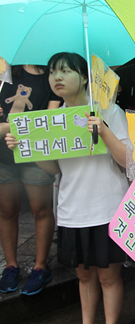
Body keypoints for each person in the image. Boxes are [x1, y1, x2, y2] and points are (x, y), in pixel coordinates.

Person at [6, 53, 128, 324]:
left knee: (108, 275)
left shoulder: (108, 111)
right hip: (72, 209)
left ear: (84, 78)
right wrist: (26, 148)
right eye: (52, 72)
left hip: (108, 207)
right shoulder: (54, 118)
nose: (57, 77)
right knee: (84, 275)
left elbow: (128, 161)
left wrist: (104, 130)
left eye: (65, 71)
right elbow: (54, 169)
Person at [0, 64, 61, 295]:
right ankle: (11, 266)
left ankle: (40, 267)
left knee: (41, 209)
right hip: (4, 156)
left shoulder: (52, 78)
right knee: (6, 210)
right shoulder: (6, 73)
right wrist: (9, 127)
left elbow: (50, 122)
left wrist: (14, 129)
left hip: (36, 156)